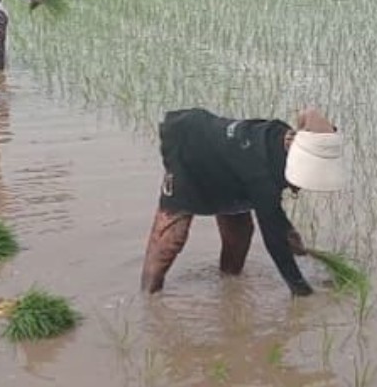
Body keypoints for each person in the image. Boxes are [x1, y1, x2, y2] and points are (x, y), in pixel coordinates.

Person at [140, 107, 345, 297]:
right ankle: (148, 298)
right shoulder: (262, 173)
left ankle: (229, 288)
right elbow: (273, 240)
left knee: (240, 234)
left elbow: (272, 213)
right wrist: (300, 289)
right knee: (171, 239)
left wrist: (287, 231)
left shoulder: (281, 138)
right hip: (189, 148)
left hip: (232, 171)